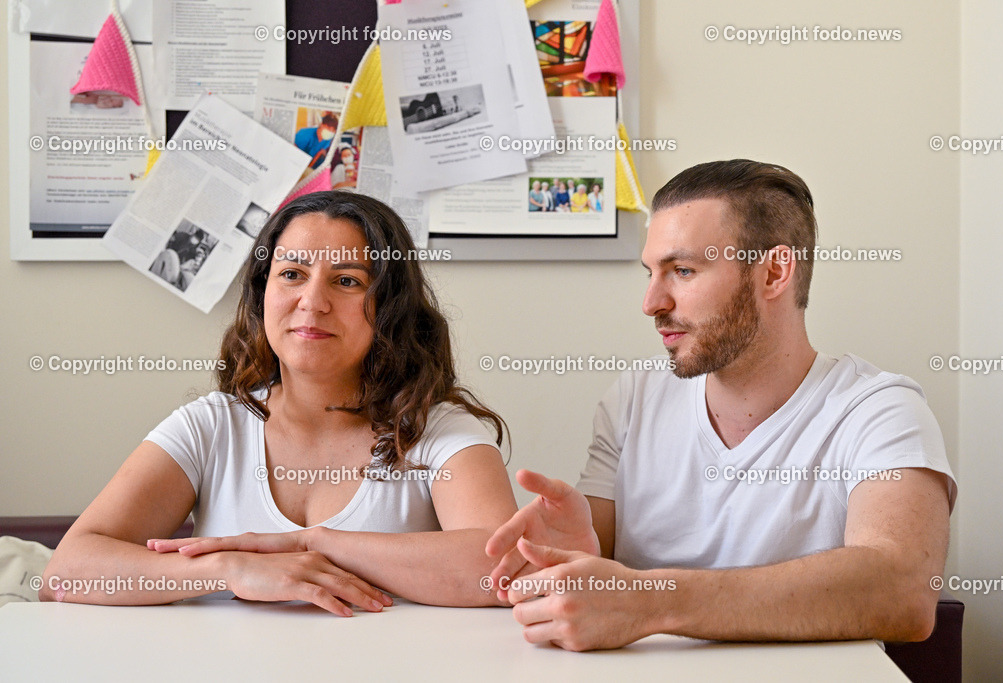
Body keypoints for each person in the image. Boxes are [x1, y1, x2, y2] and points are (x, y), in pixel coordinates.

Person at [486, 160, 956, 651]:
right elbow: (596, 566)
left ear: (774, 271)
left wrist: (652, 600)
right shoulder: (635, 398)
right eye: (651, 274)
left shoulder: (879, 410)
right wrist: (578, 556)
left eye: (682, 270)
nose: (651, 302)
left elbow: (904, 590)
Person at [42, 191, 518, 615]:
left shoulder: (438, 429)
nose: (312, 301)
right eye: (292, 274)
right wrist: (229, 569)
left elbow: (500, 568)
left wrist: (312, 544)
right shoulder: (209, 426)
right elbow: (65, 572)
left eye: (348, 281)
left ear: (391, 307)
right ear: (261, 294)